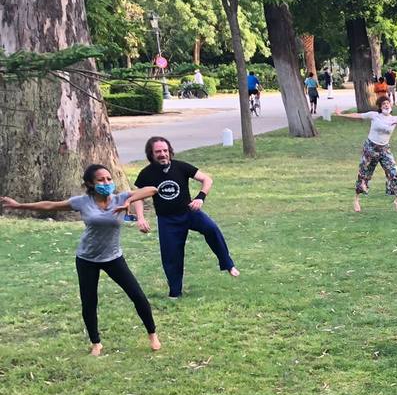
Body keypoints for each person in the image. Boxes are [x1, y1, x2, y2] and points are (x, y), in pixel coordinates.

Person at [2, 166, 161, 356]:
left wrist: (128, 200)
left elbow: (152, 189)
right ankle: (96, 343)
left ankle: (152, 334)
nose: (107, 183)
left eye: (109, 179)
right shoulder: (82, 202)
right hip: (87, 259)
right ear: (90, 184)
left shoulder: (120, 198)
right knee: (89, 301)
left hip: (113, 257)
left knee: (137, 295)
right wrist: (20, 206)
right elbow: (50, 205)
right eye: (101, 180)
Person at [132, 136, 239, 299]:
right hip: (167, 220)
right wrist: (140, 218)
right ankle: (175, 292)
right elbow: (137, 196)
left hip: (189, 213)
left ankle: (228, 264)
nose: (162, 154)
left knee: (211, 229)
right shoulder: (147, 173)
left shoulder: (180, 167)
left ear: (170, 152)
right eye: (158, 151)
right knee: (171, 255)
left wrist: (200, 197)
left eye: (165, 150)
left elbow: (207, 179)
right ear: (151, 154)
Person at [340, 97, 397, 213]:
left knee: (394, 173)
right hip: (370, 147)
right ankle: (356, 199)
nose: (386, 105)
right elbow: (358, 115)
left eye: (387, 103)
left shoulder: (395, 118)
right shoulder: (374, 115)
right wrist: (341, 115)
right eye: (383, 104)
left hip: (384, 149)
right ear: (380, 107)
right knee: (364, 173)